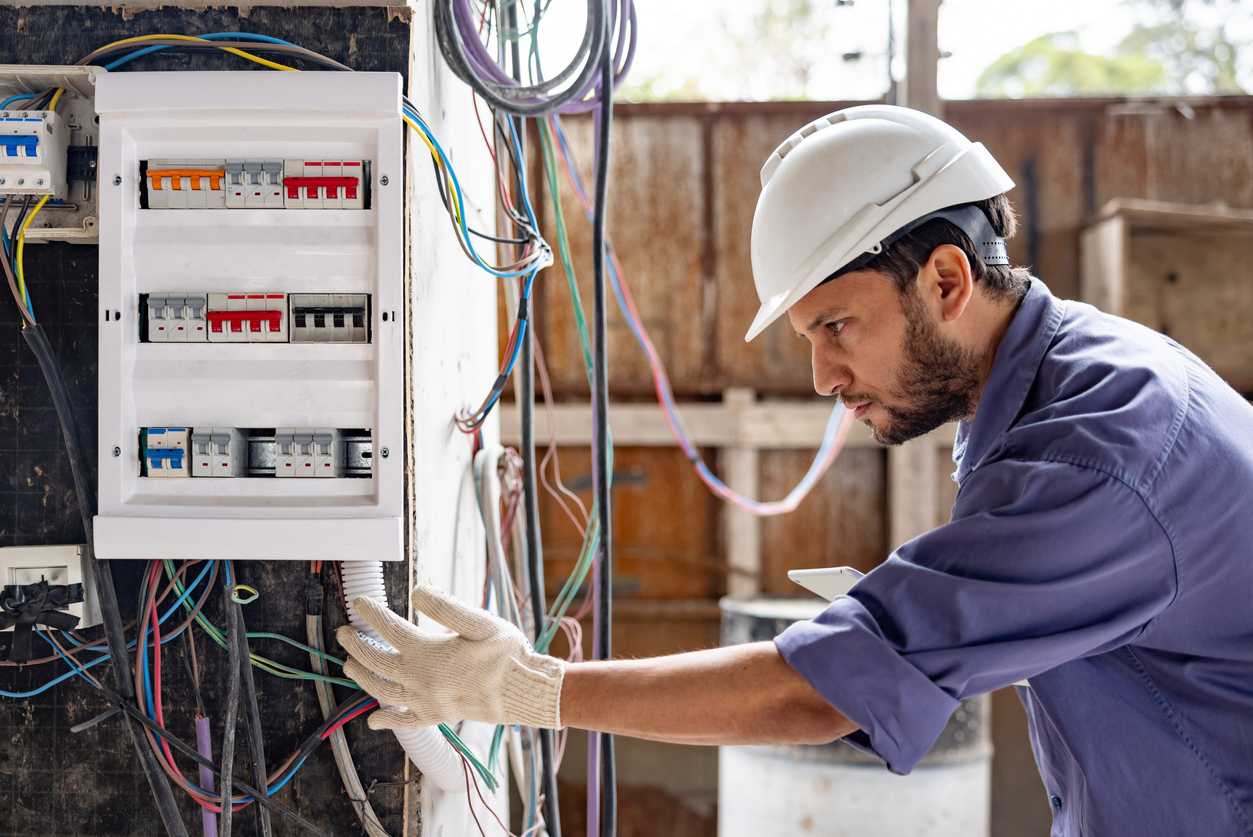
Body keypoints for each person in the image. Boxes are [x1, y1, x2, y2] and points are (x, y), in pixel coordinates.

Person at [339, 105, 1253, 836]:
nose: (821, 377)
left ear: (944, 280)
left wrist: (529, 689)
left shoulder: (1097, 451)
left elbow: (818, 691)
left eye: (836, 327)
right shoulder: (1064, 381)